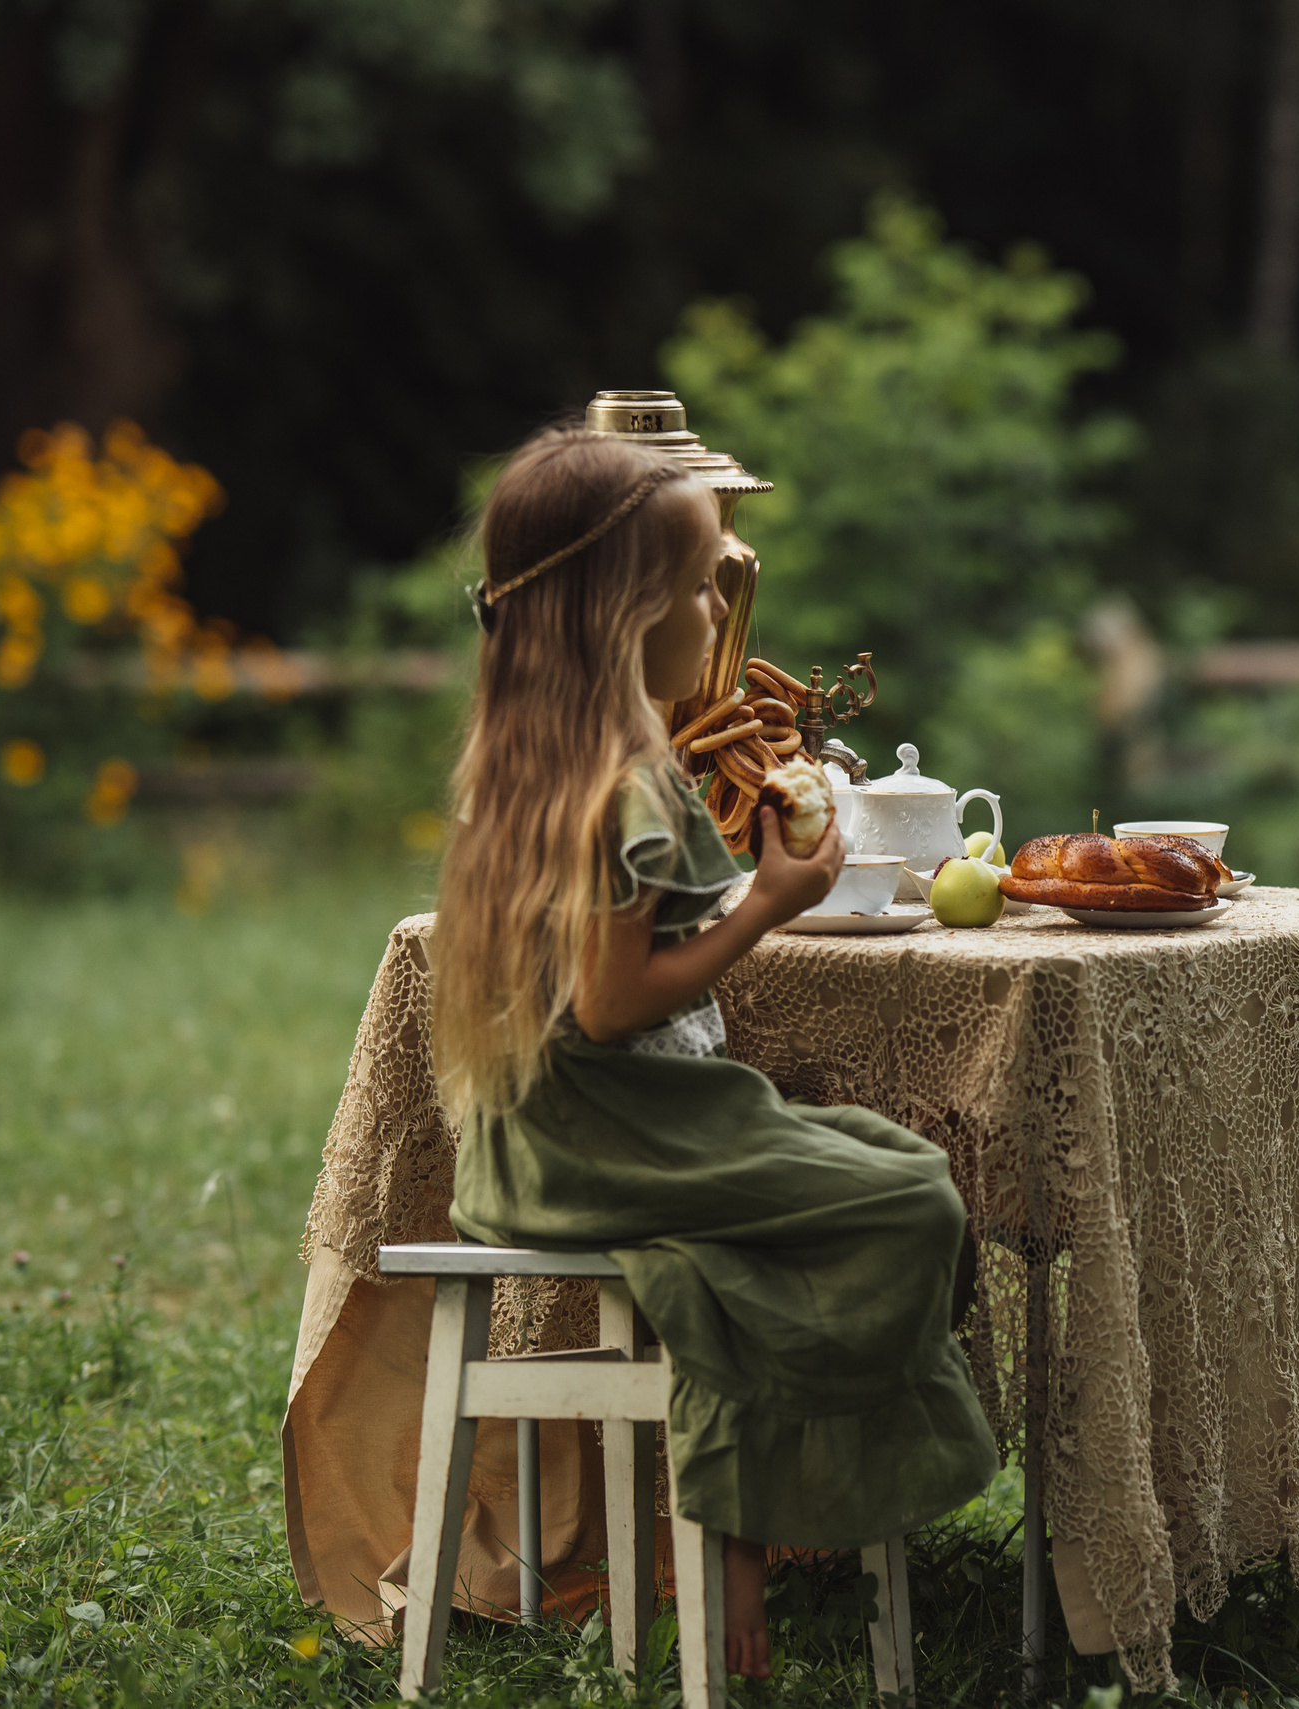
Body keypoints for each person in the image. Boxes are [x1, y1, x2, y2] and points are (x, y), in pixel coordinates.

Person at [426, 428, 1001, 1677]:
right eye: (697, 586)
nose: (716, 610)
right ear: (626, 611)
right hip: (611, 1129)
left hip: (541, 1142)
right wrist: (767, 906)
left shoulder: (537, 761)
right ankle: (752, 1517)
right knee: (913, 1197)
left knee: (876, 1153)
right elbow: (613, 1003)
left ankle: (757, 1509)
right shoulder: (625, 785)